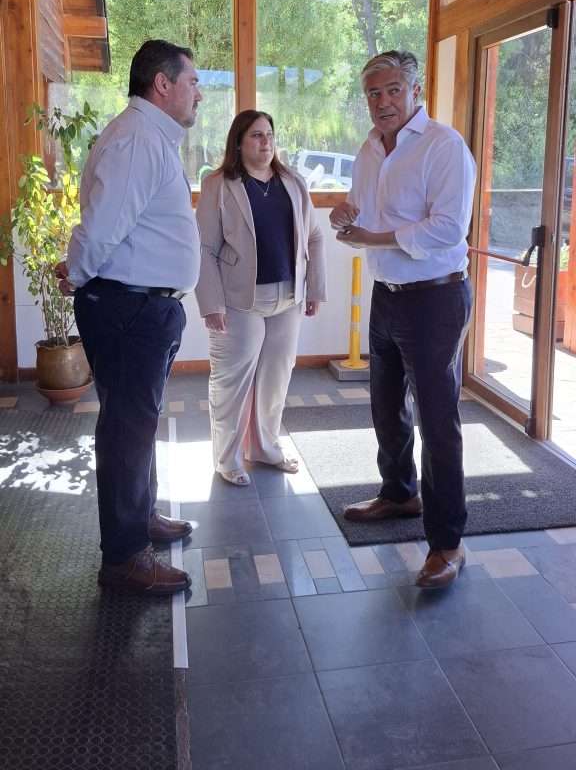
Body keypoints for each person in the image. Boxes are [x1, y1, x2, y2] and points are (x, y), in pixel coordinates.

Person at [55, 39, 203, 596]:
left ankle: (139, 520)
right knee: (126, 429)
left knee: (136, 423)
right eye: (192, 82)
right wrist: (78, 271)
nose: (199, 95)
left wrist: (80, 271)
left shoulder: (147, 136)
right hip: (129, 308)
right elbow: (102, 225)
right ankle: (123, 557)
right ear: (162, 84)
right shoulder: (139, 138)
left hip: (140, 307)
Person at [330, 51, 476, 590]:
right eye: (374, 93)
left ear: (415, 91)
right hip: (387, 294)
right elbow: (362, 212)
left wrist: (373, 237)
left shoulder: (444, 146)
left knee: (437, 420)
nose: (383, 102)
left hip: (436, 298)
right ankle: (398, 494)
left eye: (393, 90)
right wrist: (345, 214)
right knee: (385, 404)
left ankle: (448, 544)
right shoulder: (369, 149)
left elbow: (448, 229)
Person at [195, 110, 326, 486]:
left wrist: (315, 289)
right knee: (232, 383)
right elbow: (204, 248)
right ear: (238, 143)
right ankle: (228, 459)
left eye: (269, 134)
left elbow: (314, 237)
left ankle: (265, 449)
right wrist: (211, 305)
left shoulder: (293, 182)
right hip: (238, 301)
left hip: (288, 298)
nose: (265, 142)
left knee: (275, 380)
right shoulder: (219, 185)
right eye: (256, 135)